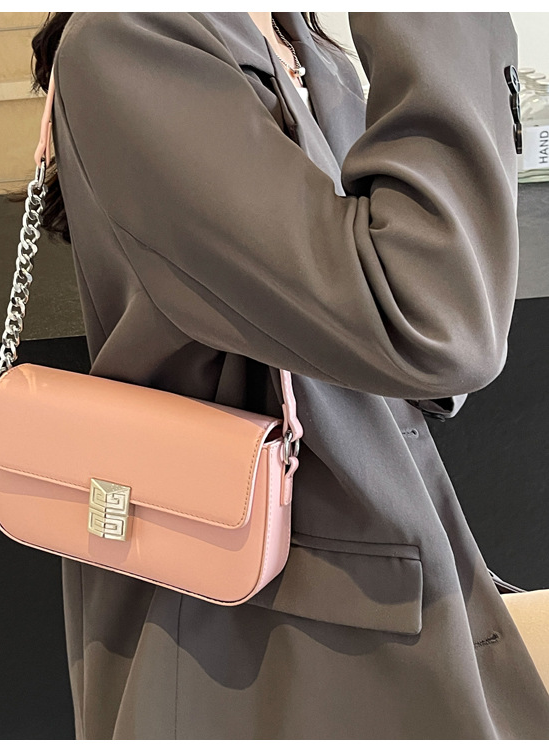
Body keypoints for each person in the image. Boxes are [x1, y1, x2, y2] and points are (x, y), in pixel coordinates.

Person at [28, 12, 549, 739]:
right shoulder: (134, 38)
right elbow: (430, 320)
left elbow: (431, 357)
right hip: (259, 639)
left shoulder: (297, 39)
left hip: (377, 588)